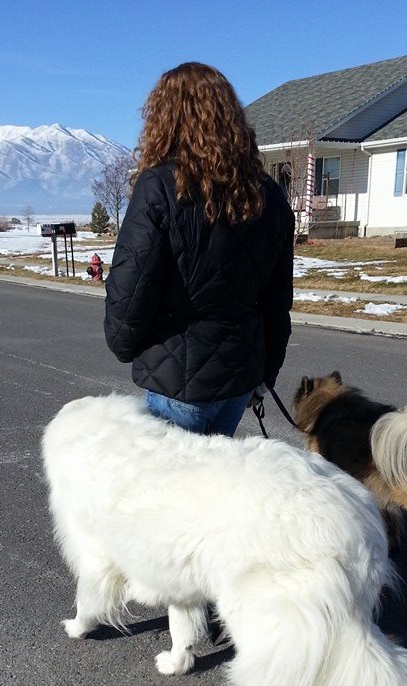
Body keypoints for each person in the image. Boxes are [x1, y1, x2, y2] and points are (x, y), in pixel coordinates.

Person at [103, 62, 294, 437]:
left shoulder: (158, 188)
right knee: (213, 487)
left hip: (179, 383)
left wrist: (125, 344)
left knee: (173, 492)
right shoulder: (268, 195)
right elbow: (277, 301)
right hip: (238, 378)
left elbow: (129, 292)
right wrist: (266, 369)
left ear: (165, 118)